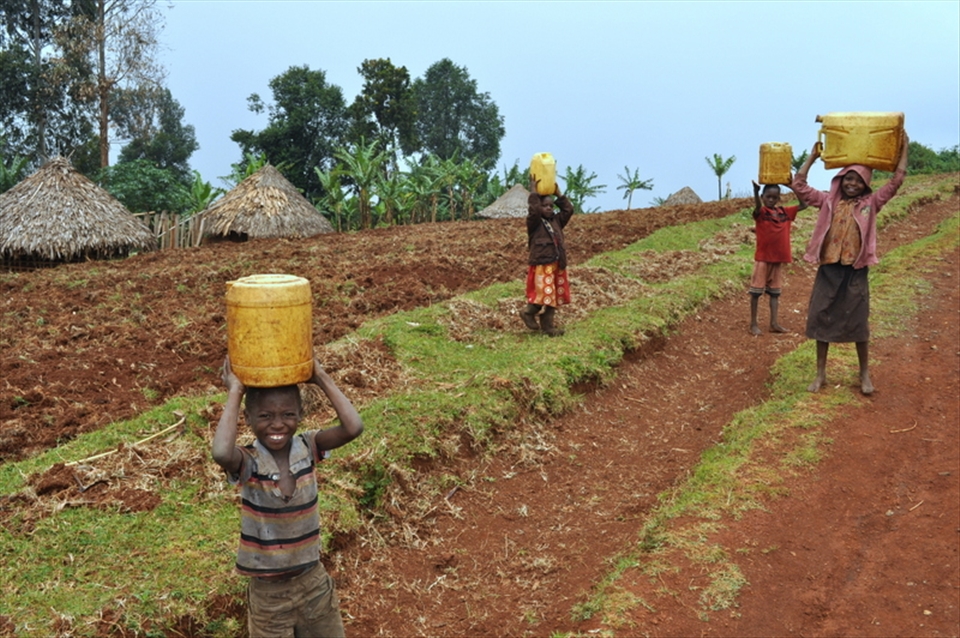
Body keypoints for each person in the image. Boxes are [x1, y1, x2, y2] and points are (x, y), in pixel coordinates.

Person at [212, 356, 364, 637]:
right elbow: (221, 452)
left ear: (300, 415)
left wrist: (320, 377)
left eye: (288, 414)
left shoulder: (309, 446)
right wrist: (235, 390)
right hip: (270, 597)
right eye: (265, 416)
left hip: (313, 584)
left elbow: (353, 427)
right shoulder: (250, 462)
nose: (278, 424)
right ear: (248, 419)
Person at [791, 134, 909, 395]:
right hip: (829, 269)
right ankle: (820, 375)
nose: (852, 183)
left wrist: (904, 148)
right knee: (821, 318)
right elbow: (798, 185)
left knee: (858, 323)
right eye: (848, 178)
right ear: (840, 180)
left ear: (866, 185)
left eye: (858, 180)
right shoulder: (827, 201)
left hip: (855, 271)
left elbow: (896, 181)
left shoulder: (871, 204)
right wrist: (811, 158)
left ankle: (864, 374)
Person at [748, 180, 807, 335]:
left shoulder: (784, 212)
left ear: (779, 198)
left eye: (775, 197)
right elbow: (757, 208)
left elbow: (804, 204)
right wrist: (755, 192)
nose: (771, 200)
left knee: (775, 293)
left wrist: (793, 187)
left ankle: (774, 323)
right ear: (763, 197)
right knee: (756, 293)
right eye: (768, 197)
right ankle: (753, 324)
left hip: (778, 259)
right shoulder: (761, 214)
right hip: (763, 258)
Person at [521, 176, 574, 336]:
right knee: (543, 294)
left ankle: (548, 326)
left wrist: (559, 194)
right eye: (545, 206)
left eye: (551, 206)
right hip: (542, 265)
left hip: (557, 264)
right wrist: (534, 192)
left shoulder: (556, 221)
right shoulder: (534, 223)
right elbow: (534, 210)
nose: (549, 208)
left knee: (555, 296)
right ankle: (528, 312)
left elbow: (568, 210)